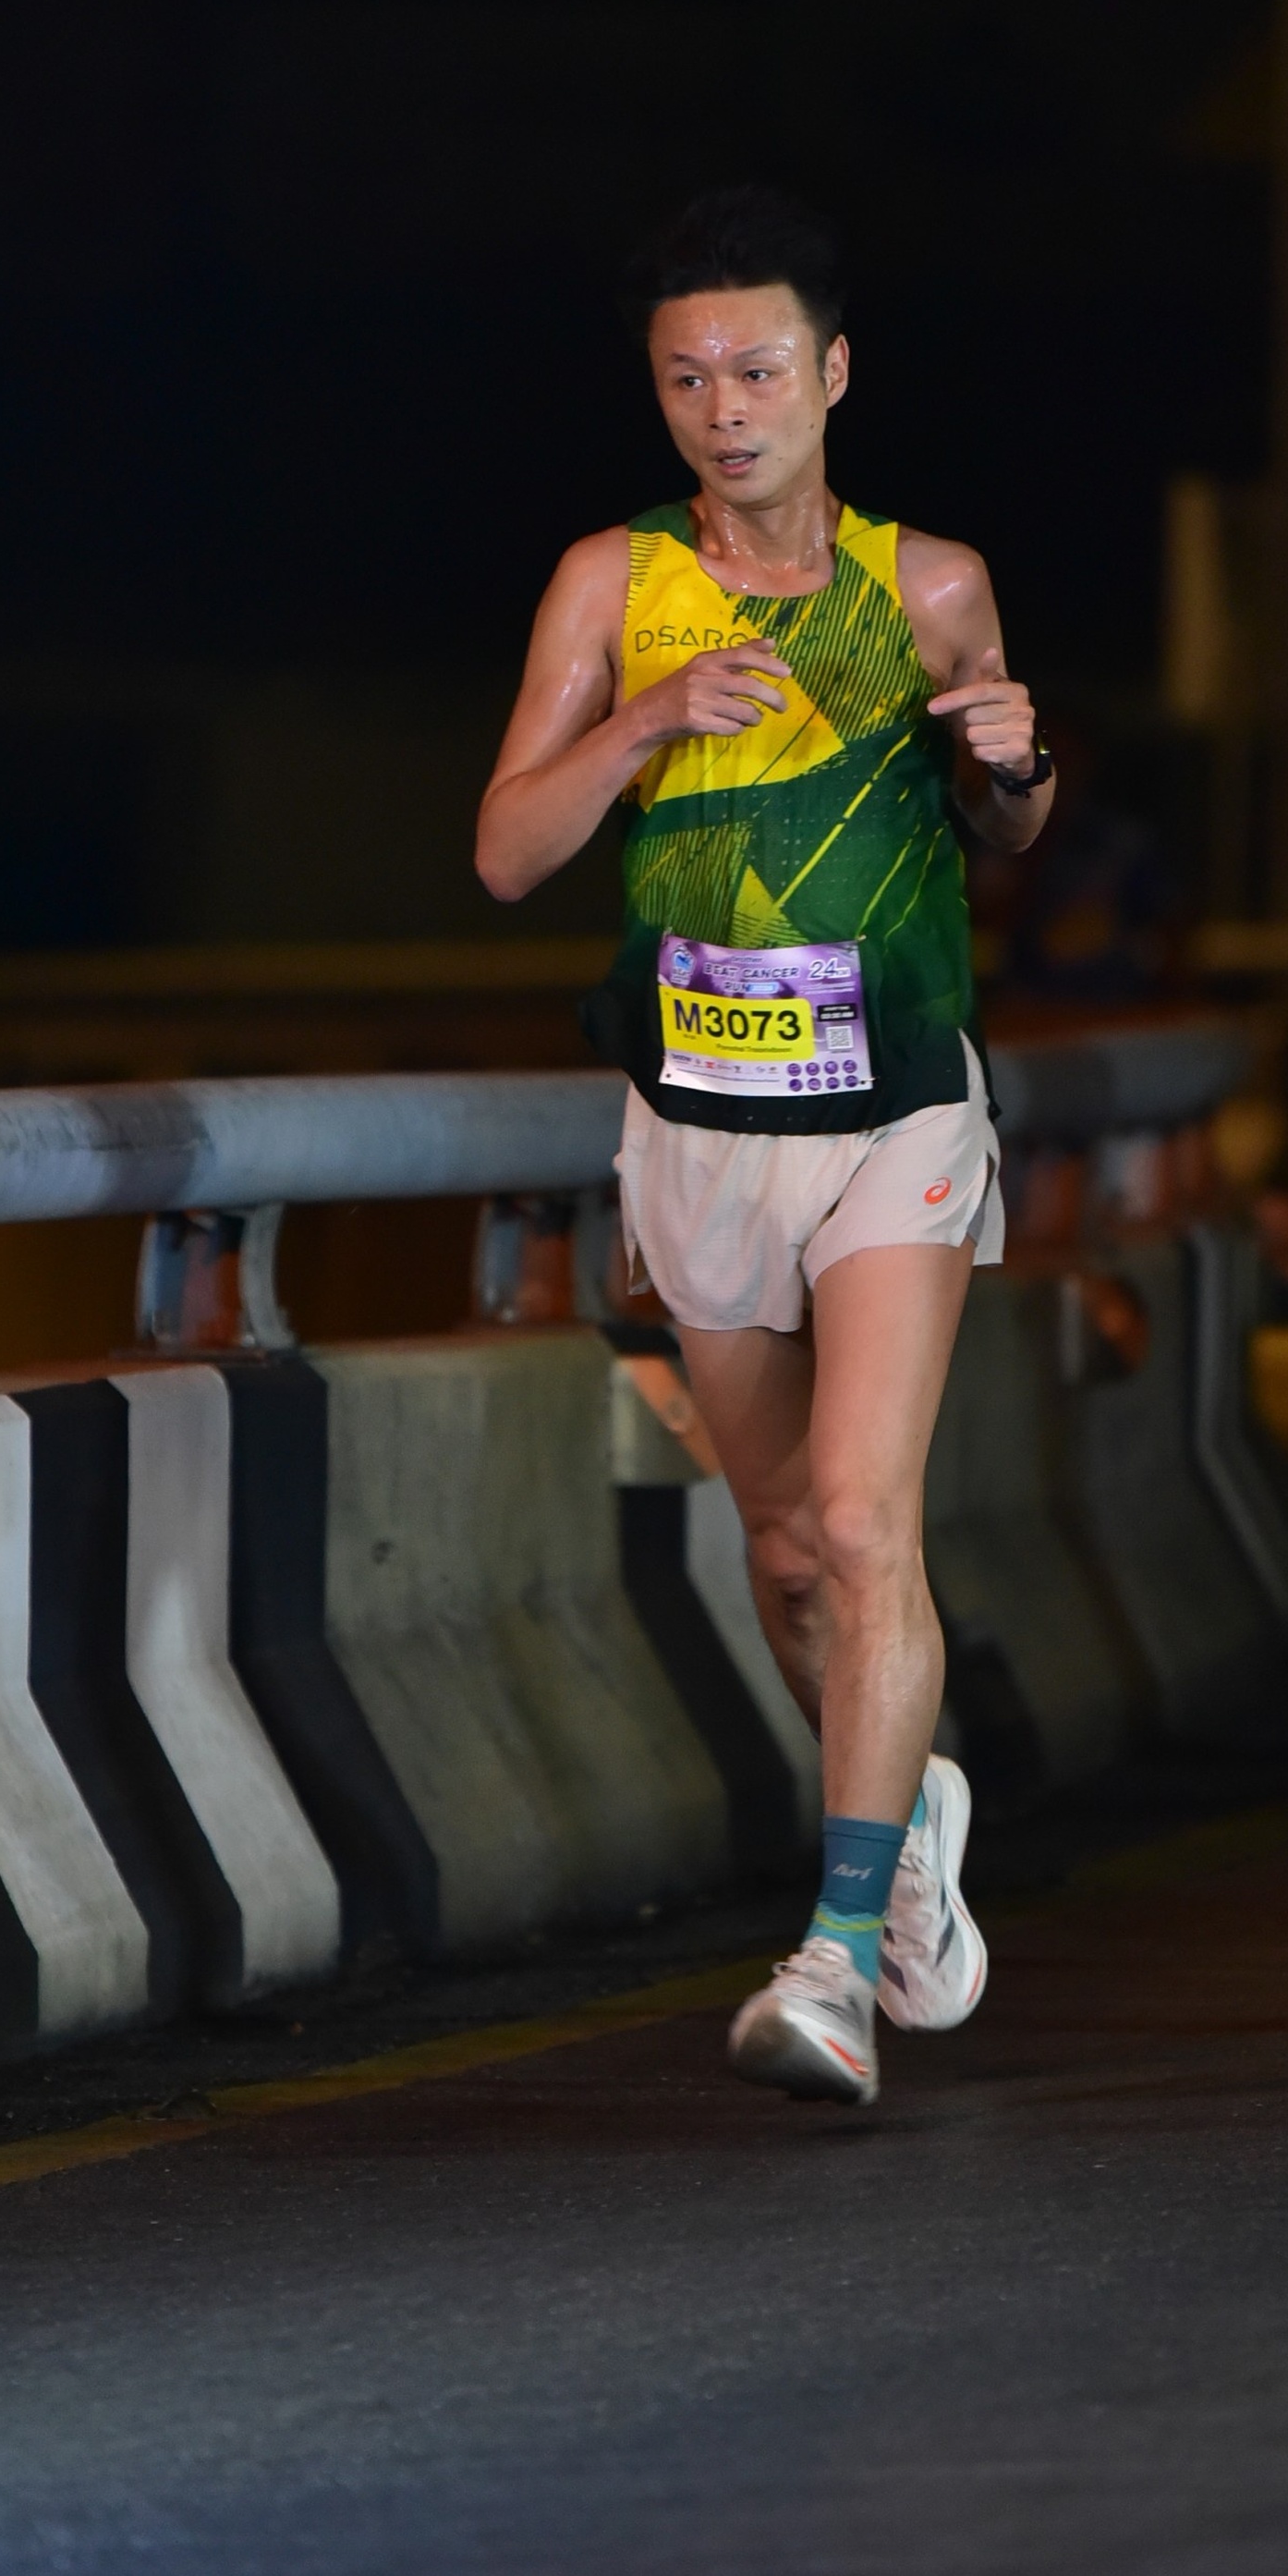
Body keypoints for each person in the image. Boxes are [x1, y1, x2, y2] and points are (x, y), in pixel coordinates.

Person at [476, 185, 1053, 2102]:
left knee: (869, 1521)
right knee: (791, 1550)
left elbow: (1008, 817)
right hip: (700, 1121)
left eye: (756, 370)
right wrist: (643, 719)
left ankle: (833, 1953)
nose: (723, 409)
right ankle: (910, 1812)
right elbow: (506, 853)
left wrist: (1019, 765)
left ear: (833, 373)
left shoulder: (931, 582)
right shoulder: (608, 581)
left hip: (893, 1108)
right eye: (685, 378)